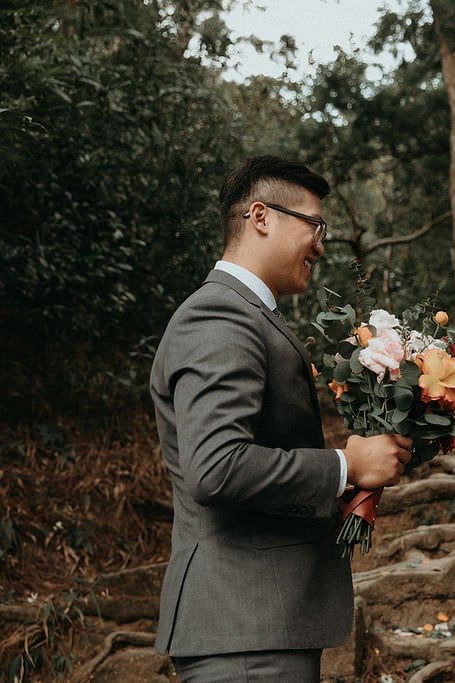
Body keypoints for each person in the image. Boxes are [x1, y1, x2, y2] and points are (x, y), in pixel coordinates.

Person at [149, 156, 413, 681]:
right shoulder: (220, 315)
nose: (321, 243)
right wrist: (344, 466)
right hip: (245, 630)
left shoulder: (248, 315)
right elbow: (217, 467)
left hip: (259, 627)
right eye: (314, 225)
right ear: (261, 217)